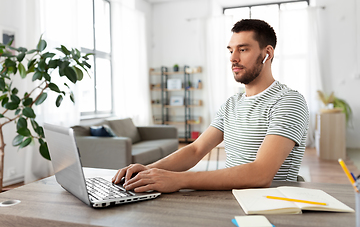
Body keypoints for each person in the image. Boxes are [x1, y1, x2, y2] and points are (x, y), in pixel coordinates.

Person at [112, 19, 309, 193]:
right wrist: (149, 170)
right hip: (230, 198)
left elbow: (261, 174)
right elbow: (196, 149)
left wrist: (179, 180)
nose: (233, 58)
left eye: (243, 49)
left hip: (271, 204)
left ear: (267, 53)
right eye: (231, 50)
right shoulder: (231, 104)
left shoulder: (288, 102)